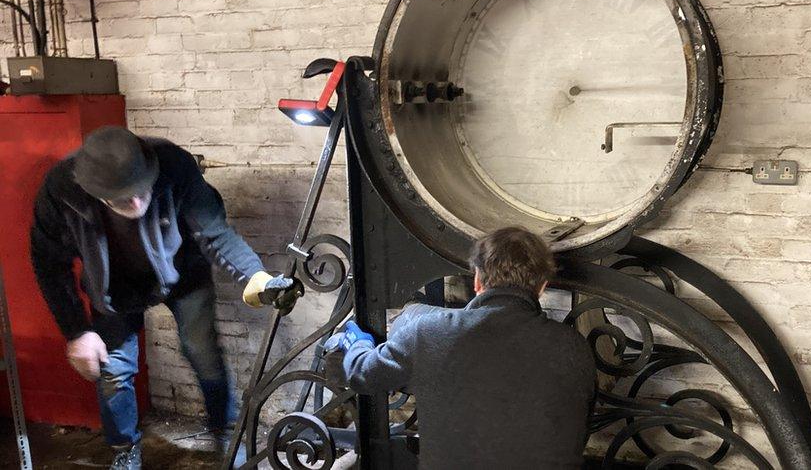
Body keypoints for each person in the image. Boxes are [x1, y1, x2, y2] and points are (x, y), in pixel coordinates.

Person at [29, 126, 297, 469]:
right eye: (124, 197)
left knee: (203, 352)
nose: (137, 201)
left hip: (183, 272)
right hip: (113, 287)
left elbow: (216, 233)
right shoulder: (60, 192)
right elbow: (49, 264)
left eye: (141, 190)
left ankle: (226, 432)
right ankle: (125, 449)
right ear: (96, 192)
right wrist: (76, 332)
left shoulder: (174, 165)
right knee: (114, 371)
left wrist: (256, 276)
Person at [328, 226, 597, 469]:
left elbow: (362, 374)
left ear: (478, 279)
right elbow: (579, 430)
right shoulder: (574, 346)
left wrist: (357, 341)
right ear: (541, 287)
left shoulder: (429, 331)